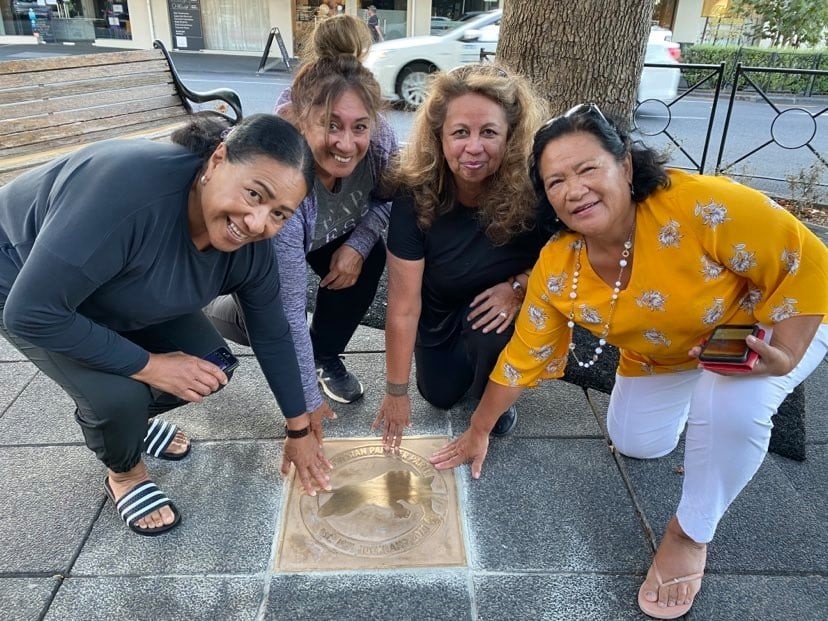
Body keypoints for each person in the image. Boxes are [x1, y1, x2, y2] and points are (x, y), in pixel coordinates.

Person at [429, 103, 828, 618]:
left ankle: (689, 532)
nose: (574, 190)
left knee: (729, 404)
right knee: (637, 442)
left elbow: (808, 259)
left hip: (766, 328)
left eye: (588, 168)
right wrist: (479, 428)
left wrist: (786, 355)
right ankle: (710, 427)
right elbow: (521, 356)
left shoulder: (700, 204)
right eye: (555, 181)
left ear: (627, 166)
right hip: (666, 356)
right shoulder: (558, 264)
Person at [0, 113, 335, 537]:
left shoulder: (252, 247)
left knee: (211, 364)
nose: (256, 223)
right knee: (117, 397)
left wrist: (298, 428)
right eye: (254, 193)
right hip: (22, 279)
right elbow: (30, 312)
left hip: (109, 284)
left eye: (279, 214)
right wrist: (151, 365)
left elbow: (272, 333)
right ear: (217, 161)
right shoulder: (126, 193)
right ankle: (125, 471)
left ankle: (131, 425)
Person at [205, 16, 397, 418]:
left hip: (333, 230)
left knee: (372, 255)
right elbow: (291, 311)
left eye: (358, 126)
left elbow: (387, 199)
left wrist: (358, 247)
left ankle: (324, 355)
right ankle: (209, 307)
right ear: (301, 119)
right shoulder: (288, 183)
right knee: (262, 321)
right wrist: (304, 405)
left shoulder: (378, 139)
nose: (346, 143)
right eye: (330, 126)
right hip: (272, 238)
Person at [372, 64, 551, 451]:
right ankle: (469, 370)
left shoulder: (534, 188)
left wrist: (519, 286)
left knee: (491, 331)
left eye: (488, 132)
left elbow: (567, 258)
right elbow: (403, 306)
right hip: (438, 315)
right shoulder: (413, 191)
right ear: (439, 137)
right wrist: (396, 391)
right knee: (438, 395)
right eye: (460, 133)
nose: (473, 147)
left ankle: (498, 392)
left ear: (511, 136)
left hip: (499, 310)